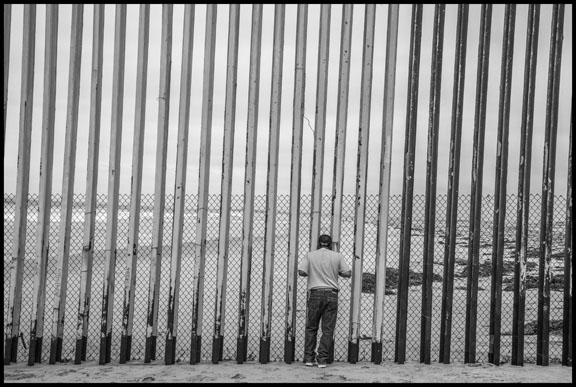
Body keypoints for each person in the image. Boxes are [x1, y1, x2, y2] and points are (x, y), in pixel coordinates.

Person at [298, 234, 351, 368]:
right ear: (330, 244)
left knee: (311, 328)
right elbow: (347, 273)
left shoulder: (310, 255)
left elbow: (301, 272)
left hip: (315, 293)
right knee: (327, 329)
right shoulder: (337, 256)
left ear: (318, 243)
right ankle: (322, 359)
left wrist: (314, 271)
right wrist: (335, 272)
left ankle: (309, 358)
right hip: (331, 294)